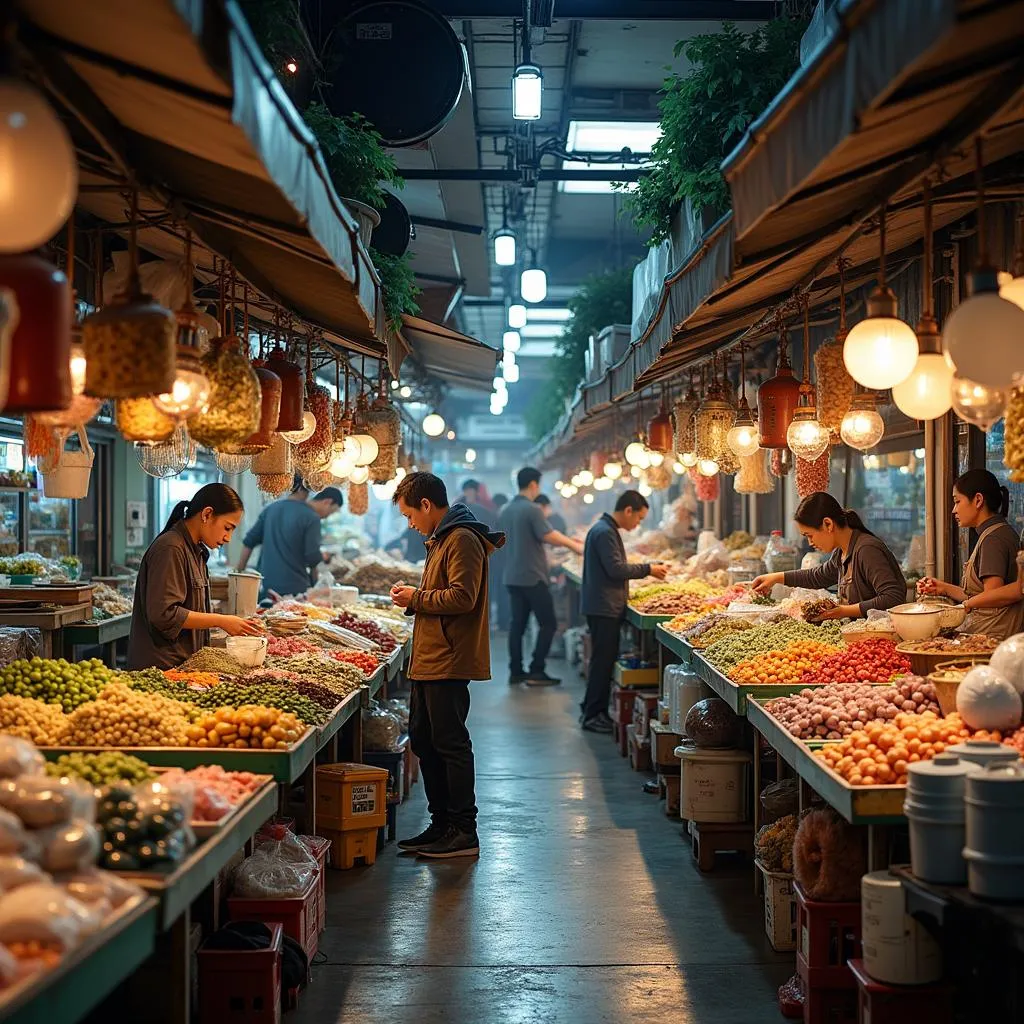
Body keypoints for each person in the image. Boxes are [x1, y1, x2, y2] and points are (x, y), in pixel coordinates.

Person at [389, 472, 503, 859]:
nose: (410, 524)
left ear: (426, 505)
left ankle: (463, 831)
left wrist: (416, 597)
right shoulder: (441, 539)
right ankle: (441, 824)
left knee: (451, 743)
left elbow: (462, 597)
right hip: (430, 657)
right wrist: (415, 598)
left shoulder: (462, 539)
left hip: (449, 658)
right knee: (423, 739)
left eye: (409, 516)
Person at [128, 483, 262, 670]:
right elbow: (164, 615)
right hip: (161, 669)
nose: (228, 538)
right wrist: (221, 620)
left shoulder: (196, 551)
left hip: (183, 666)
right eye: (227, 528)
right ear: (207, 514)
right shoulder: (171, 548)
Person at [580, 491, 668, 733]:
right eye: (638, 518)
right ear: (628, 510)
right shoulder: (605, 531)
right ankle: (593, 715)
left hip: (602, 605)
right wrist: (649, 568)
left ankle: (590, 708)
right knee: (603, 662)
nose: (637, 523)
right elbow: (615, 569)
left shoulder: (604, 528)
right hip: (603, 607)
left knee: (602, 660)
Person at [751, 491, 906, 617]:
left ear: (828, 524)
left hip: (877, 641)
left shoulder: (867, 549)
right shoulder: (841, 552)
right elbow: (817, 576)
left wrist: (842, 611)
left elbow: (893, 597)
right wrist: (776, 577)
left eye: (809, 535)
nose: (810, 542)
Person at [500, 467, 584, 685]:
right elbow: (548, 535)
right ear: (534, 485)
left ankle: (516, 671)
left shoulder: (505, 510)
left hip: (511, 576)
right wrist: (575, 546)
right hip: (532, 576)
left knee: (517, 626)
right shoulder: (532, 509)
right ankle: (537, 669)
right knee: (549, 623)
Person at [918, 469, 1024, 639]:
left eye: (957, 501)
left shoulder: (993, 539)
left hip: (991, 640)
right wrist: (943, 588)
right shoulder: (996, 532)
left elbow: (994, 598)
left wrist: (964, 606)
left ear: (978, 500)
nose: (954, 510)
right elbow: (983, 596)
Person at [237, 476, 344, 597]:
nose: (327, 516)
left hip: (265, 587)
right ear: (327, 502)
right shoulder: (311, 517)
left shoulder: (270, 509)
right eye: (331, 512)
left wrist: (238, 576)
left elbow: (248, 542)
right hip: (294, 590)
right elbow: (312, 557)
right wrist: (315, 587)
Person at [491, 493, 511, 630]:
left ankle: (501, 622)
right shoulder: (504, 517)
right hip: (505, 562)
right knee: (503, 593)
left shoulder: (498, 517)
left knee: (499, 593)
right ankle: (503, 622)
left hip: (498, 562)